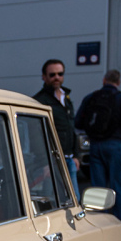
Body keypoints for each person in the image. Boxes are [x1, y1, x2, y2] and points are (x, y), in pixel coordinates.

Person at [76, 69, 121, 223]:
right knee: (120, 188)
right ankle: (120, 225)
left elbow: (78, 122)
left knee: (98, 190)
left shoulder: (91, 98)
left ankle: (100, 225)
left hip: (95, 146)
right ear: (118, 82)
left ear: (104, 80)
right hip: (116, 146)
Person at [32, 59, 81, 197]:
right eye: (52, 75)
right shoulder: (39, 101)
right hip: (52, 160)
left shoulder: (66, 98)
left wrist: (76, 155)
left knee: (74, 200)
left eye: (60, 74)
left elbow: (71, 128)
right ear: (44, 76)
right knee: (50, 201)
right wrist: (44, 162)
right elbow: (36, 134)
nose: (56, 77)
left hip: (69, 159)